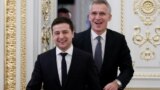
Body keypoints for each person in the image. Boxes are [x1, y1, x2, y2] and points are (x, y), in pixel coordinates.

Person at [73, 0, 134, 90]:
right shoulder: (77, 39)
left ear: (109, 17)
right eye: (94, 13)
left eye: (102, 14)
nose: (97, 17)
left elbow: (128, 69)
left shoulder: (119, 40)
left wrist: (117, 83)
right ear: (89, 16)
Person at [26, 17, 101, 90]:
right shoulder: (42, 60)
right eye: (57, 33)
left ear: (72, 34)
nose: (61, 36)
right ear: (52, 36)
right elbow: (32, 88)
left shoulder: (86, 59)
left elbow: (95, 87)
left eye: (65, 32)